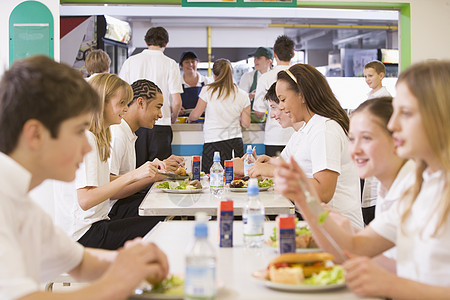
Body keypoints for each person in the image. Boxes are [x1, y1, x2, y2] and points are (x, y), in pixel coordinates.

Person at [273, 60, 450, 299]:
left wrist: (391, 285)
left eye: (405, 113)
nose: (393, 124)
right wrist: (304, 200)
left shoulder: (417, 184)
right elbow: (354, 248)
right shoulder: (422, 184)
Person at [0, 55, 168, 299]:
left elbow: (79, 261)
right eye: (78, 131)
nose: (88, 146)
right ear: (35, 134)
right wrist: (118, 280)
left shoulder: (25, 203)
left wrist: (131, 261)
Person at [54, 73, 162, 250]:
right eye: (121, 103)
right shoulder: (86, 138)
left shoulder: (97, 136)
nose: (126, 109)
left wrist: (143, 174)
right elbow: (86, 200)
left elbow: (102, 181)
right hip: (83, 236)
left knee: (158, 219)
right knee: (160, 222)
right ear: (100, 102)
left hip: (90, 229)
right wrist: (134, 175)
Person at [273, 63, 364, 230]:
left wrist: (275, 172)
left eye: (283, 99)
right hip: (323, 224)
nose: (281, 107)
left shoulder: (324, 129)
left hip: (342, 229)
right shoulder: (311, 127)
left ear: (302, 95)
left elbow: (323, 192)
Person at [109, 79, 184, 220]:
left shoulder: (128, 133)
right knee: (171, 207)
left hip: (123, 203)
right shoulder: (117, 134)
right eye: (158, 107)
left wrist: (160, 166)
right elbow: (110, 191)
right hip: (113, 210)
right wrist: (153, 176)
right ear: (141, 102)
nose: (161, 114)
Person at [119, 26, 183, 163]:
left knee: (136, 170)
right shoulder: (170, 64)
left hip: (135, 124)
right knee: (161, 172)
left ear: (146, 42)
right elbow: (177, 101)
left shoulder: (131, 61)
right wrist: (173, 117)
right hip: (161, 124)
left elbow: (121, 94)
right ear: (166, 43)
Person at [188, 58, 251, 171]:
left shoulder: (208, 90)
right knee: (236, 180)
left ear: (214, 75)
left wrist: (189, 118)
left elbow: (196, 115)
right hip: (235, 142)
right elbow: (246, 123)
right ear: (231, 74)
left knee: (210, 179)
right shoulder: (243, 95)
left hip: (213, 141)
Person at [232, 82, 303, 176]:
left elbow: (319, 185)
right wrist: (263, 163)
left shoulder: (317, 132)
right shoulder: (298, 135)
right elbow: (285, 166)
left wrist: (246, 169)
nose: (271, 115)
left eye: (274, 107)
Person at [361, 60, 393, 224]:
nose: (367, 79)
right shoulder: (372, 96)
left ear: (381, 75)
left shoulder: (384, 99)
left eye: (370, 75)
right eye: (365, 76)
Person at [253, 35, 295, 156]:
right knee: (298, 174)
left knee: (273, 173)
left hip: (274, 137)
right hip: (298, 134)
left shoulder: (265, 78)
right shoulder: (300, 75)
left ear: (274, 54)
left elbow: (259, 112)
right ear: (292, 55)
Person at [239, 46, 273, 122]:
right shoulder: (247, 77)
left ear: (269, 61)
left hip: (272, 120)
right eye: (255, 58)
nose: (255, 61)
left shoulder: (276, 77)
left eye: (259, 58)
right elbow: (240, 100)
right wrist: (251, 95)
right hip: (251, 121)